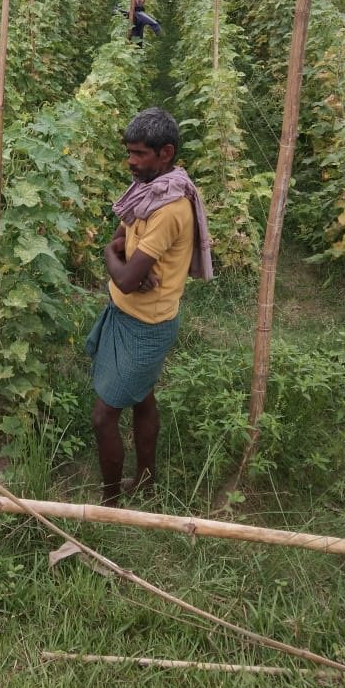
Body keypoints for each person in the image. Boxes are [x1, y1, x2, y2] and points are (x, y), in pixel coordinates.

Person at [85, 108, 212, 506]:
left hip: (146, 323)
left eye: (140, 154)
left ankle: (110, 504)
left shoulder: (169, 209)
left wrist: (112, 255)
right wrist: (118, 254)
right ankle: (145, 481)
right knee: (143, 396)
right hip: (126, 313)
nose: (132, 161)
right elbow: (121, 237)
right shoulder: (149, 190)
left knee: (103, 417)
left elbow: (122, 271)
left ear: (166, 153)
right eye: (129, 152)